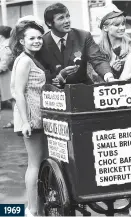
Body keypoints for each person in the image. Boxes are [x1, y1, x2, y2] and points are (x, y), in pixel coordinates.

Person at [10, 20, 47, 216]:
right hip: (31, 119)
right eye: (31, 38)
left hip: (36, 117)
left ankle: (37, 208)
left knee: (39, 163)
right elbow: (18, 93)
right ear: (22, 41)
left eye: (39, 37)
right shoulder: (24, 60)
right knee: (34, 164)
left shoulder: (28, 58)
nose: (37, 41)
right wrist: (25, 122)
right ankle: (32, 210)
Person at [35, 2, 116, 86]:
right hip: (55, 93)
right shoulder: (42, 42)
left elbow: (97, 59)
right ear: (49, 23)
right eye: (61, 18)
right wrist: (59, 77)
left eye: (68, 16)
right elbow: (41, 73)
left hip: (83, 88)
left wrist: (109, 77)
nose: (67, 21)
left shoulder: (83, 36)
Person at [99, 10, 131, 79]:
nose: (122, 28)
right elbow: (96, 79)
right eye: (117, 25)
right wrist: (113, 72)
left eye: (123, 24)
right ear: (105, 28)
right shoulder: (99, 50)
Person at [0, 26, 14, 128]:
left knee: (13, 97)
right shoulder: (10, 43)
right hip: (9, 74)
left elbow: (4, 64)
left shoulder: (5, 46)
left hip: (8, 75)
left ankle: (16, 120)